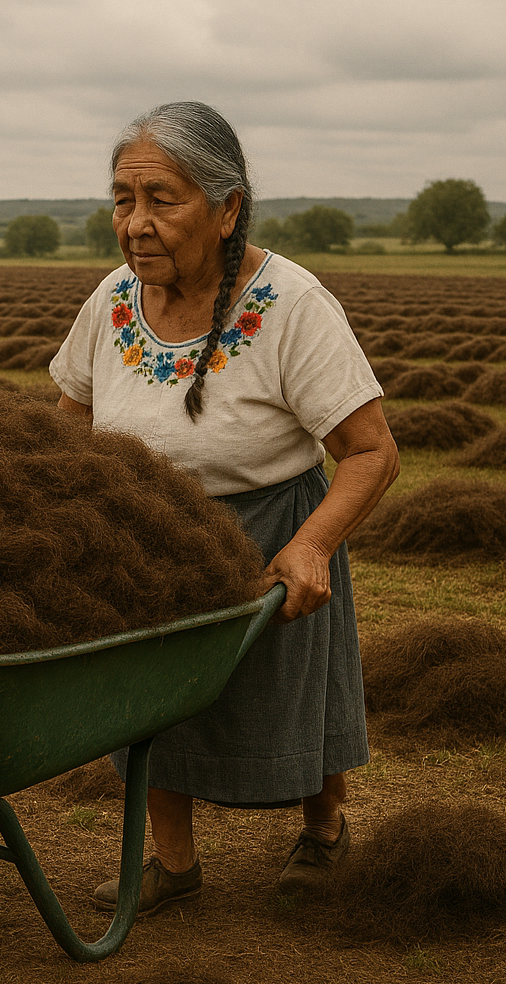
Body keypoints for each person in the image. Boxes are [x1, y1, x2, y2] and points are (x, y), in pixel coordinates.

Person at [48, 101, 400, 913]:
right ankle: (172, 863)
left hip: (268, 528)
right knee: (148, 704)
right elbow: (68, 421)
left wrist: (311, 545)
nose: (135, 224)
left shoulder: (292, 303)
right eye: (122, 199)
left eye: (161, 199)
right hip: (144, 534)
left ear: (228, 207)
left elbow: (372, 450)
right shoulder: (111, 300)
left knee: (290, 690)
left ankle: (324, 825)